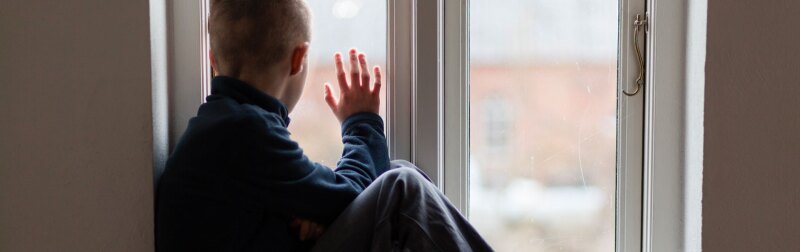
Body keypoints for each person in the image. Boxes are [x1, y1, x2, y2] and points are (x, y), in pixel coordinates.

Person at [155, 0, 492, 251]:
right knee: (400, 186)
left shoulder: (224, 126)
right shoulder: (242, 130)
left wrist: (316, 212)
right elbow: (348, 195)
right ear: (298, 58)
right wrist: (362, 122)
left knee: (398, 170)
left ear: (213, 59)